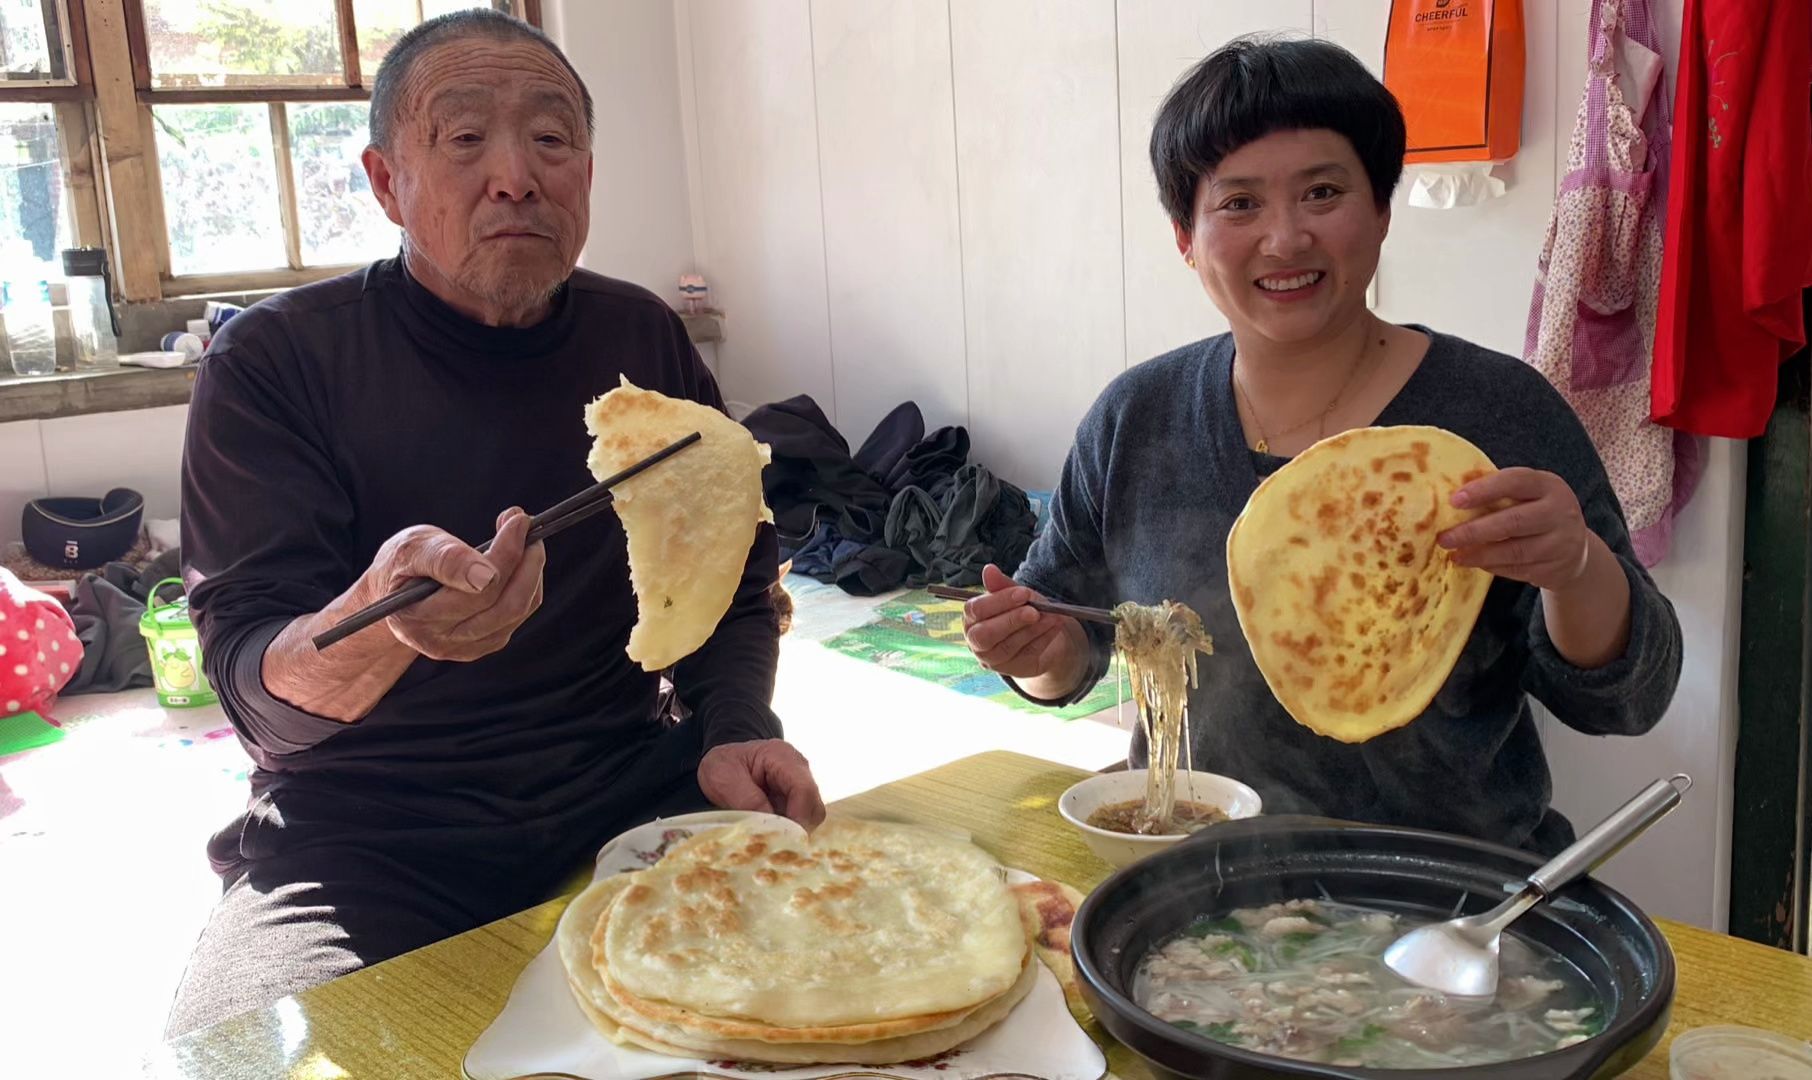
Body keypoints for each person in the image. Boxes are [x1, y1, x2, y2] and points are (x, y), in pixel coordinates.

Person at [166, 10, 824, 1036]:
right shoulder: (275, 362)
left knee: (839, 997)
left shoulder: (641, 334)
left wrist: (736, 727)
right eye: (466, 138)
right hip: (361, 843)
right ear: (388, 182)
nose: (516, 175)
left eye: (552, 139)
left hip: (625, 793)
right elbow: (262, 703)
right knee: (242, 1054)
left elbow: (737, 578)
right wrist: (383, 621)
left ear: (588, 174)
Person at [961, 37, 1682, 855]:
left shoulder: (1497, 414)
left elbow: (1630, 699)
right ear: (1185, 238)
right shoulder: (1138, 417)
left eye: (1323, 192)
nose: (1285, 238)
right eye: (1238, 204)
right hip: (1196, 873)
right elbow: (1070, 643)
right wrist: (1035, 654)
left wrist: (1576, 566)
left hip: (1455, 900)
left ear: (1380, 210)